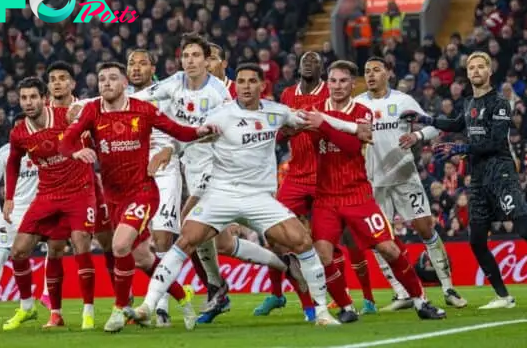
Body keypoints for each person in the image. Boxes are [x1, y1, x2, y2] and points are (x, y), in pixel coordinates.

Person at [126, 63, 366, 327]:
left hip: (259, 198)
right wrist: (169, 150)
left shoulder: (277, 113)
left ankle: (321, 313)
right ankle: (148, 305)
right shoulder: (220, 115)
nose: (246, 86)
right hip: (221, 194)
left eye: (252, 81)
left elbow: (317, 118)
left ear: (262, 85)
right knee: (186, 239)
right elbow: (189, 136)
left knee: (303, 243)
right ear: (235, 85)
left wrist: (354, 129)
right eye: (241, 81)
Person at [133, 35, 295, 323]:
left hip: (218, 171)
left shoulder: (225, 93)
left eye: (203, 56)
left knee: (187, 230)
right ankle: (277, 266)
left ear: (217, 62)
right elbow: (143, 97)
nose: (196, 61)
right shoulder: (180, 83)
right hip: (191, 168)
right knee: (221, 244)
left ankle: (167, 301)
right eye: (189, 56)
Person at [59, 61, 217, 332]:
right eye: (102, 79)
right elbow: (66, 141)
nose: (106, 83)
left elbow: (178, 131)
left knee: (120, 246)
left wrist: (201, 131)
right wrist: (75, 152)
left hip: (143, 192)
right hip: (114, 197)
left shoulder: (143, 109)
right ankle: (183, 299)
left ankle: (119, 311)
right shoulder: (92, 111)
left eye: (112, 78)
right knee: (143, 258)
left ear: (124, 85)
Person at [400, 51, 527, 308]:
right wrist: (426, 120)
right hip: (477, 178)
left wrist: (460, 149)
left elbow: (496, 141)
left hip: (501, 173)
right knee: (476, 240)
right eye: (472, 67)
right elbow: (455, 124)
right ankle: (503, 297)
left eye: (480, 67)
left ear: (489, 71)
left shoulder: (499, 103)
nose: (475, 71)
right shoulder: (468, 103)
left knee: (524, 229)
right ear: (467, 73)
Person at [302, 60, 446, 320]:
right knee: (324, 254)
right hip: (325, 198)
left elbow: (349, 145)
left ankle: (420, 300)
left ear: (351, 84)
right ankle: (346, 307)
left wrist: (323, 125)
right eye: (332, 80)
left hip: (358, 195)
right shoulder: (314, 110)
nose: (337, 86)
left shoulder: (362, 110)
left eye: (343, 81)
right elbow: (310, 137)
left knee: (389, 248)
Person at [355, 57, 468, 310]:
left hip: (405, 177)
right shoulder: (357, 104)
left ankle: (448, 288)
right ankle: (401, 292)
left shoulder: (403, 101)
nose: (370, 75)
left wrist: (416, 135)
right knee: (378, 239)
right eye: (367, 71)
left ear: (389, 73)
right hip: (373, 182)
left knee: (426, 229)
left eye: (376, 70)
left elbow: (432, 127)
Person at [2, 78, 96, 331]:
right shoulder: (19, 132)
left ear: (44, 98)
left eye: (33, 97)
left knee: (80, 246)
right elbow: (12, 163)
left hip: (79, 191)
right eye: (24, 98)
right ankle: (30, 308)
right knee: (19, 251)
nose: (28, 102)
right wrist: (9, 197)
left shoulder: (66, 116)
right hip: (48, 195)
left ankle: (88, 311)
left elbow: (93, 122)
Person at [254, 51, 327, 320]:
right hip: (295, 176)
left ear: (323, 68)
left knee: (325, 242)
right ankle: (277, 293)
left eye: (315, 60)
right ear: (297, 67)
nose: (309, 63)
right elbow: (282, 132)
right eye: (305, 60)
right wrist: (287, 131)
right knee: (273, 233)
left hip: (325, 177)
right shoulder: (286, 95)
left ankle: (359, 299)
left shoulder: (331, 92)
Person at [47, 61, 116, 309]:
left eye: (63, 78)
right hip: (57, 192)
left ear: (72, 84)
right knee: (55, 248)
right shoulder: (41, 114)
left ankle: (122, 301)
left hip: (91, 189)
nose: (57, 83)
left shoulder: (87, 109)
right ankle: (56, 312)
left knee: (108, 243)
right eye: (53, 79)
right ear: (48, 85)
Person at [127, 49, 183, 327]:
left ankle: (160, 308)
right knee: (133, 245)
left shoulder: (168, 94)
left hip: (164, 173)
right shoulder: (120, 99)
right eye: (132, 64)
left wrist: (171, 150)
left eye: (142, 63)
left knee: (161, 240)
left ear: (153, 68)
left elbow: (183, 132)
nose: (136, 68)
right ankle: (131, 303)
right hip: (133, 177)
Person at [0, 138, 38, 319]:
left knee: (54, 246)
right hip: (12, 213)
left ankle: (47, 297)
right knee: (2, 252)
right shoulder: (5, 152)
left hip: (37, 209)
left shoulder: (42, 146)